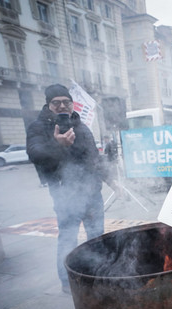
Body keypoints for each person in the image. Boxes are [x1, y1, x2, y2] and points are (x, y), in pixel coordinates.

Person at [26, 84, 120, 294]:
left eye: (66, 102)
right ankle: (67, 283)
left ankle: (97, 275)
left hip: (92, 194)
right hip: (66, 195)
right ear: (48, 105)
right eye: (56, 102)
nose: (62, 106)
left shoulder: (81, 125)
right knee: (68, 238)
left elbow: (94, 159)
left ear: (71, 104)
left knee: (97, 237)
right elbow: (34, 153)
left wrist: (111, 182)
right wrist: (57, 144)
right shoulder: (39, 127)